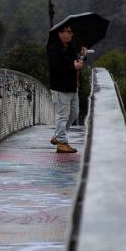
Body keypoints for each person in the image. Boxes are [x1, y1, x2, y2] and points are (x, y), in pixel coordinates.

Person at [47, 23, 83, 154]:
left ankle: (58, 136)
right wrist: (73, 67)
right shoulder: (53, 48)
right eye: (68, 31)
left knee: (74, 113)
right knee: (63, 115)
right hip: (60, 87)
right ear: (60, 33)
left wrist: (82, 55)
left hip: (72, 86)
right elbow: (56, 68)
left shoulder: (70, 47)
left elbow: (76, 61)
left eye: (71, 32)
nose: (71, 34)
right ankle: (62, 143)